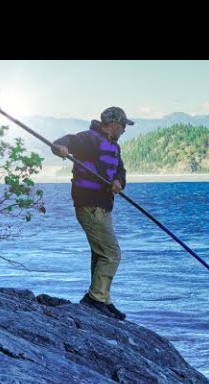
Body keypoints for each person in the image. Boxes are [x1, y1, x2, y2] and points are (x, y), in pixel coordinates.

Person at [51, 106, 134, 321]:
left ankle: (102, 299)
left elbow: (120, 172)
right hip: (89, 204)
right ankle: (94, 299)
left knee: (100, 253)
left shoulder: (114, 146)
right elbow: (63, 141)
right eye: (123, 126)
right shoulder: (89, 139)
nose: (124, 130)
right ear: (114, 124)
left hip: (104, 206)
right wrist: (59, 148)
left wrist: (118, 182)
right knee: (112, 253)